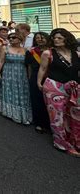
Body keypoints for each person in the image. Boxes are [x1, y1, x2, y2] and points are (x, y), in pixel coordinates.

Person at [38, 28, 80, 157]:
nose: (56, 40)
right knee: (57, 117)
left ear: (67, 39)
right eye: (54, 38)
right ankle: (61, 143)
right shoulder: (48, 53)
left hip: (73, 87)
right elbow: (42, 68)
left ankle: (75, 141)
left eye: (59, 38)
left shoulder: (77, 54)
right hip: (54, 87)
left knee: (74, 115)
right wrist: (39, 83)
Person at [0, 32, 32, 125]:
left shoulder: (26, 50)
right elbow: (1, 61)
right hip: (8, 74)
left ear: (20, 39)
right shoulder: (5, 48)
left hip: (21, 74)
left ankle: (23, 114)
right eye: (10, 37)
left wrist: (29, 76)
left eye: (14, 37)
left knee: (23, 92)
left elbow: (29, 65)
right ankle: (10, 112)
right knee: (9, 90)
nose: (11, 39)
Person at [25, 32, 51, 134]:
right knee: (37, 100)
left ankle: (49, 122)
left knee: (49, 101)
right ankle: (39, 123)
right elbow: (29, 66)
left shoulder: (52, 51)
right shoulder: (32, 52)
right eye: (37, 38)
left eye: (42, 37)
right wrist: (30, 78)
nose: (40, 39)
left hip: (50, 77)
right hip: (36, 76)